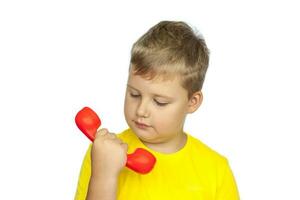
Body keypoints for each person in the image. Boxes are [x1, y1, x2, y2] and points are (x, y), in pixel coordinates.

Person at [74, 21, 240, 200]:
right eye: (134, 94)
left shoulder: (216, 170)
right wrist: (104, 176)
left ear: (192, 102)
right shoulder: (103, 151)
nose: (141, 110)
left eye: (159, 102)